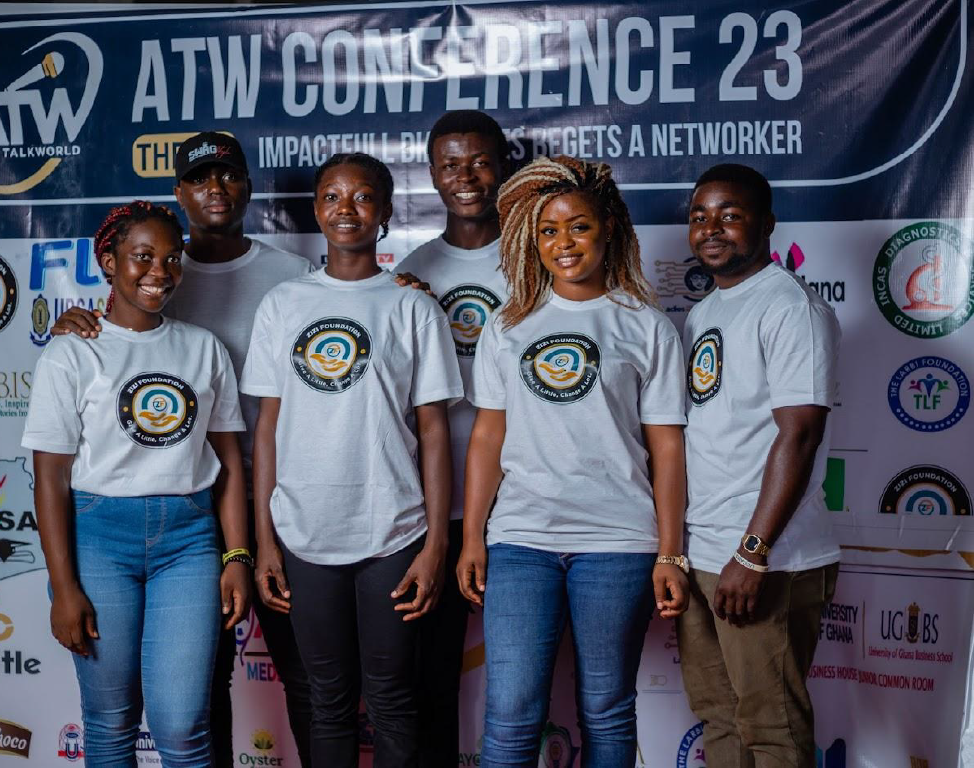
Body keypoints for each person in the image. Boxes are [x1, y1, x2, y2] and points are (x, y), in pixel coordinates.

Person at [50, 132, 315, 767]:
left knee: (302, 676)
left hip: (275, 501)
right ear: (179, 193)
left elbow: (353, 310)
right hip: (183, 503)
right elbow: (122, 332)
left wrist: (406, 288)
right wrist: (73, 327)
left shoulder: (292, 277)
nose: (215, 188)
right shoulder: (146, 286)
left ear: (248, 186)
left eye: (228, 175)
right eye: (200, 178)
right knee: (189, 697)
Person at [457, 156, 689, 766]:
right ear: (531, 241)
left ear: (608, 228)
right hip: (521, 539)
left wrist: (670, 551)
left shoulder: (646, 326)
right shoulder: (508, 325)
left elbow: (667, 446)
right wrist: (473, 537)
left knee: (606, 709)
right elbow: (488, 436)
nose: (563, 242)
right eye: (548, 230)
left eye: (578, 226)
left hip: (618, 541)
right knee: (510, 713)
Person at [242, 152, 463, 767]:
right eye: (332, 197)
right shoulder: (283, 303)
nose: (347, 209)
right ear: (316, 210)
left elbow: (434, 431)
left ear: (386, 212)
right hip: (303, 531)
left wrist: (435, 546)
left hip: (393, 529)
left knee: (392, 698)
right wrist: (265, 542)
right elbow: (267, 429)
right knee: (327, 700)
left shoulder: (412, 306)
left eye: (363, 197)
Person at [22, 201, 251, 767]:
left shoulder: (204, 347)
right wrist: (63, 587)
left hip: (189, 540)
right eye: (142, 257)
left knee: (184, 725)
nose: (159, 272)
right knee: (110, 722)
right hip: (98, 539)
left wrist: (237, 555)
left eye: (171, 259)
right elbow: (49, 477)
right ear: (109, 261)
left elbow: (229, 463)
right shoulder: (71, 352)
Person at [677, 163, 841, 767]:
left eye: (730, 215)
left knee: (773, 731)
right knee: (720, 720)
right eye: (700, 217)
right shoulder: (705, 311)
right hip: (704, 550)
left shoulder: (790, 306)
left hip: (767, 558)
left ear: (767, 224)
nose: (711, 229)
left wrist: (752, 553)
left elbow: (800, 434)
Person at [395, 109, 510, 767]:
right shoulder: (413, 270)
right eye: (450, 165)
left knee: (523, 681)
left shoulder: (538, 256)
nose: (465, 177)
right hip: (434, 508)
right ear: (433, 175)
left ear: (503, 167)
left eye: (479, 162)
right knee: (430, 678)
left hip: (520, 503)